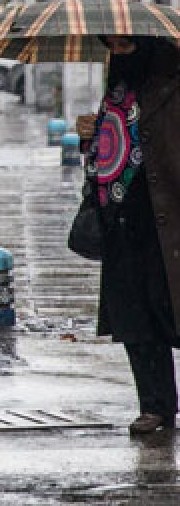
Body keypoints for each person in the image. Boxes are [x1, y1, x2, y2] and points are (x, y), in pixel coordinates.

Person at [75, 35, 180, 435]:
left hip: (166, 220)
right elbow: (110, 152)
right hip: (122, 221)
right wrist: (92, 134)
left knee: (167, 310)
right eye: (112, 47)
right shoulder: (117, 91)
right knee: (135, 320)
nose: (118, 55)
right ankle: (155, 406)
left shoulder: (170, 85)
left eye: (125, 47)